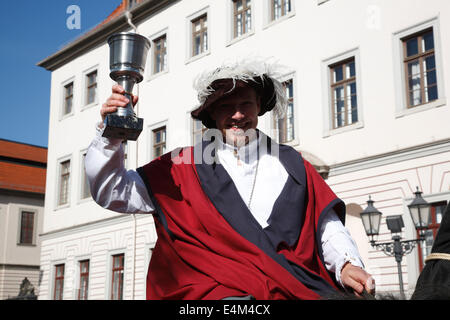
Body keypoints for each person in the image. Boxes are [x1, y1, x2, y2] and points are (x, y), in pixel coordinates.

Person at [85, 59, 375, 300]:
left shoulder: (293, 165)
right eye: (226, 106)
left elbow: (326, 227)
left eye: (246, 104)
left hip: (292, 290)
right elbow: (111, 190)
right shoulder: (180, 167)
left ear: (258, 107)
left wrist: (347, 264)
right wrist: (112, 129)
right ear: (211, 113)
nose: (238, 115)